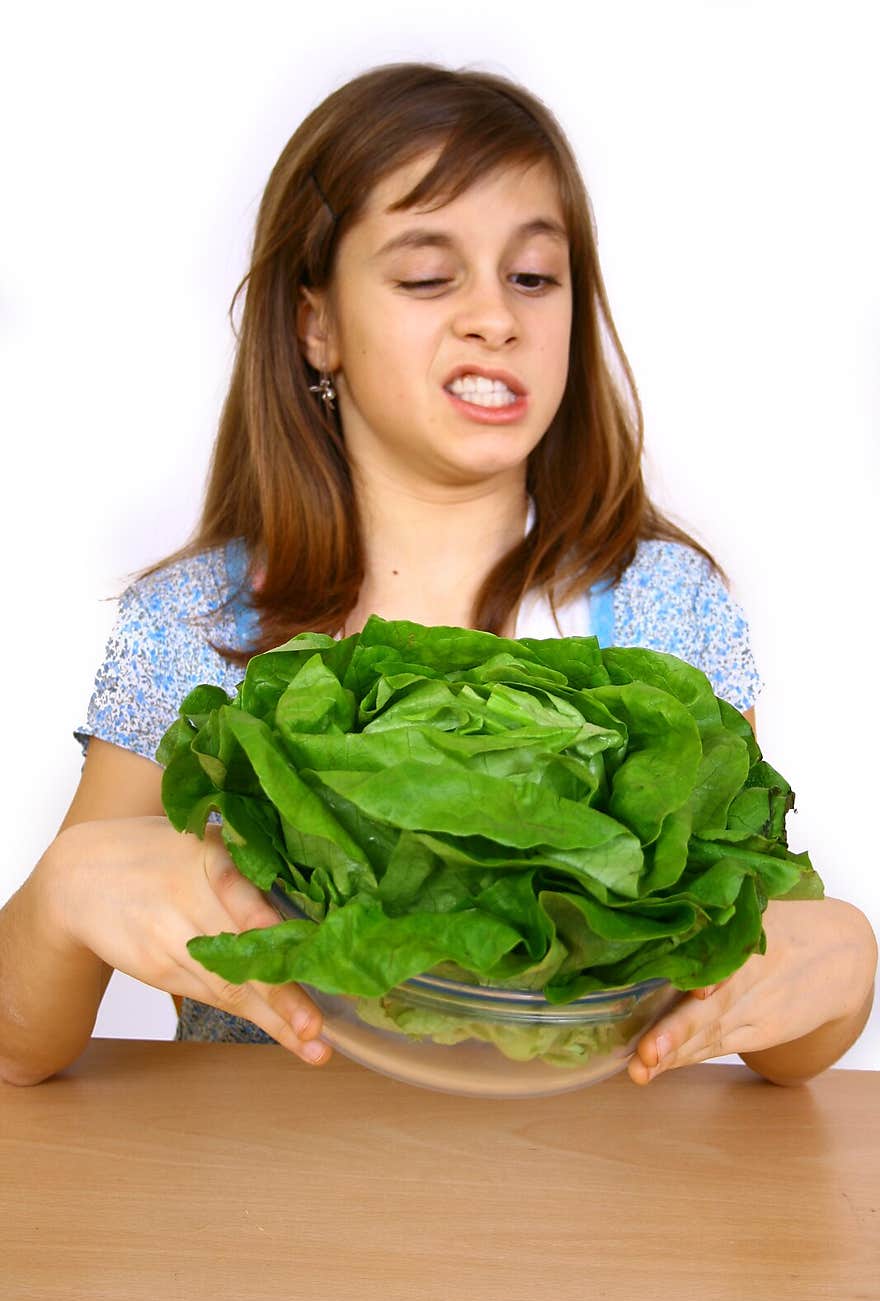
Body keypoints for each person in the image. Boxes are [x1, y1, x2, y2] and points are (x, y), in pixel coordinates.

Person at [1, 62, 875, 1089]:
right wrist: (64, 893)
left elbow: (767, 996)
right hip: (265, 1210)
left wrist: (844, 966)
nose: (493, 317)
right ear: (313, 323)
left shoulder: (661, 605)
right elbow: (21, 1046)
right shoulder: (198, 624)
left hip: (586, 1206)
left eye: (533, 277)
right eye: (426, 275)